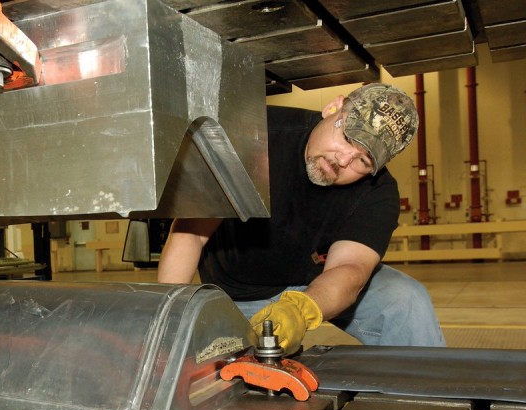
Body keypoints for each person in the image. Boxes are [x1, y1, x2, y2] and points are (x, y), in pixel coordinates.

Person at [157, 83, 446, 353]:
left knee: (406, 300)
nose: (343, 160)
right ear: (333, 108)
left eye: (363, 160)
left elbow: (350, 268)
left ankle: (429, 389)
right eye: (347, 137)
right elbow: (190, 235)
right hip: (238, 293)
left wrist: (301, 309)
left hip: (317, 284)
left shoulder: (378, 193)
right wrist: (165, 323)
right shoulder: (254, 137)